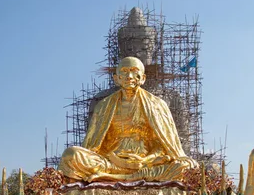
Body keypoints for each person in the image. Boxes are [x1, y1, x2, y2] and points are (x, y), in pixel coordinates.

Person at [58, 56, 198, 182]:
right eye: (124, 71)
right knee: (71, 155)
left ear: (143, 78)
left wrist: (145, 160)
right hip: (110, 163)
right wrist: (115, 159)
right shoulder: (103, 105)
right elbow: (95, 146)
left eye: (134, 71)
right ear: (116, 78)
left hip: (145, 163)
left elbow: (163, 147)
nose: (129, 76)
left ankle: (120, 177)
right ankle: (127, 175)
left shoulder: (157, 104)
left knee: (188, 166)